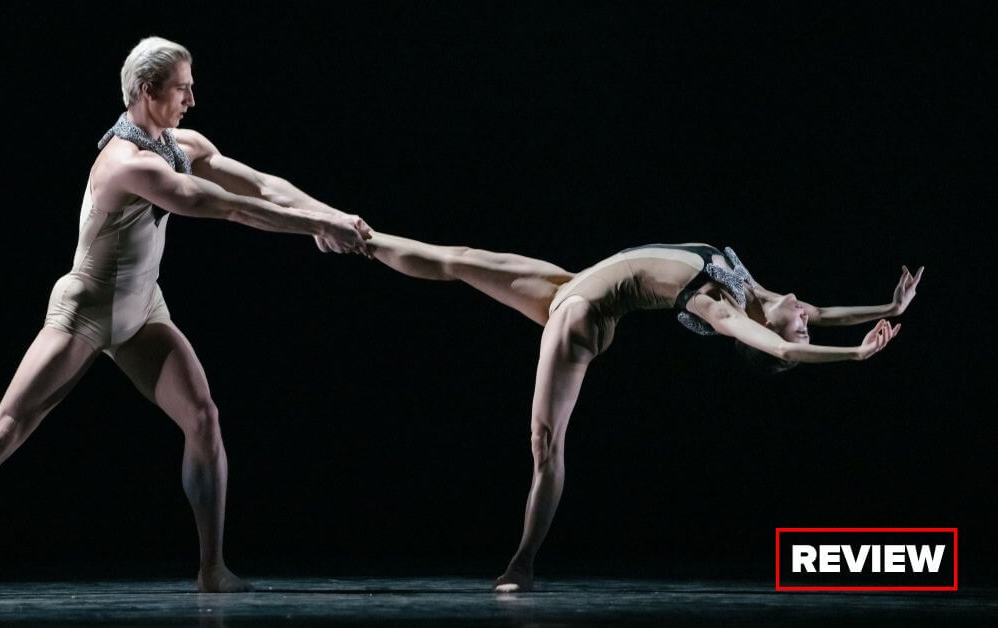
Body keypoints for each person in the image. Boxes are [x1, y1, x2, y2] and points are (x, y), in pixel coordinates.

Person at [0, 36, 372, 597]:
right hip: (86, 309)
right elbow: (226, 207)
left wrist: (332, 215)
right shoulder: (125, 164)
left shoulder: (179, 141)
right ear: (147, 92)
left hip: (144, 307)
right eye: (182, 88)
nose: (192, 98)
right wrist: (317, 229)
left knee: (203, 419)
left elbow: (262, 185)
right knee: (3, 433)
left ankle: (211, 570)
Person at [364, 233, 923, 591]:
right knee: (458, 259)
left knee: (545, 443)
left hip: (585, 313)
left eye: (799, 323)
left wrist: (856, 354)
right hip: (570, 282)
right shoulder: (753, 289)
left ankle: (522, 564)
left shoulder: (725, 309)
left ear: (760, 332)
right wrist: (888, 307)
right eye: (803, 319)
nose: (805, 315)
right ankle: (355, 235)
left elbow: (785, 348)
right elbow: (819, 312)